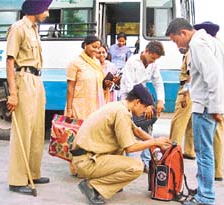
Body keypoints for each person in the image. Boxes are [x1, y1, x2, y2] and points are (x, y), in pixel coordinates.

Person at [166, 18, 224, 205]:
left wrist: (215, 107)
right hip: (209, 104)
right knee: (206, 152)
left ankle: (205, 197)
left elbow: (212, 76)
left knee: (203, 154)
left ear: (183, 33)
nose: (175, 44)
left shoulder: (196, 44)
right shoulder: (213, 42)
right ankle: (205, 191)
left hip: (204, 106)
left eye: (175, 40)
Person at [71, 83, 172, 205]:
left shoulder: (119, 106)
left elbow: (136, 130)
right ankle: (92, 186)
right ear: (137, 102)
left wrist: (158, 143)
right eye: (145, 107)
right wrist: (154, 142)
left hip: (85, 157)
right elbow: (130, 148)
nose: (146, 111)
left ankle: (111, 183)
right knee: (136, 167)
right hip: (86, 161)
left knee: (120, 145)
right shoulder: (122, 113)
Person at [6, 0, 53, 195]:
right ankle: (17, 180)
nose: (48, 13)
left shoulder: (34, 29)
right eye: (46, 8)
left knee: (37, 129)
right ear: (36, 9)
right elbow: (10, 62)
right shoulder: (18, 28)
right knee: (23, 130)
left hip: (36, 79)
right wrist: (13, 93)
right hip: (23, 78)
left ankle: (32, 173)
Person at [194, 21, 224, 181]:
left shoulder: (204, 45)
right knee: (218, 136)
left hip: (212, 102)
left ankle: (211, 180)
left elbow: (211, 75)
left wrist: (216, 97)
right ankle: (217, 172)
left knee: (206, 145)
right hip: (223, 99)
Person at [120, 40, 165, 172]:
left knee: (147, 128)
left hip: (143, 98)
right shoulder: (132, 62)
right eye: (152, 58)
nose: (153, 61)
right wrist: (147, 105)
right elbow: (130, 86)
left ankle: (147, 162)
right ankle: (132, 163)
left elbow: (158, 82)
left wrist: (160, 101)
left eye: (156, 59)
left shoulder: (153, 65)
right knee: (129, 130)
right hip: (130, 98)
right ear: (146, 51)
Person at [65, 35, 104, 120]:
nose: (96, 50)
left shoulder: (97, 62)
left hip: (94, 106)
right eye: (94, 47)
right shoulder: (75, 63)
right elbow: (70, 87)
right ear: (85, 45)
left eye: (98, 47)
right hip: (79, 106)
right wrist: (69, 109)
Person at [169, 48, 195, 160]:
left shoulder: (190, 52)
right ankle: (190, 151)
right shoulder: (195, 51)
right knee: (190, 123)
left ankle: (173, 151)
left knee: (178, 122)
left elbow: (191, 74)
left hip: (187, 90)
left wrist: (185, 93)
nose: (178, 47)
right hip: (194, 91)